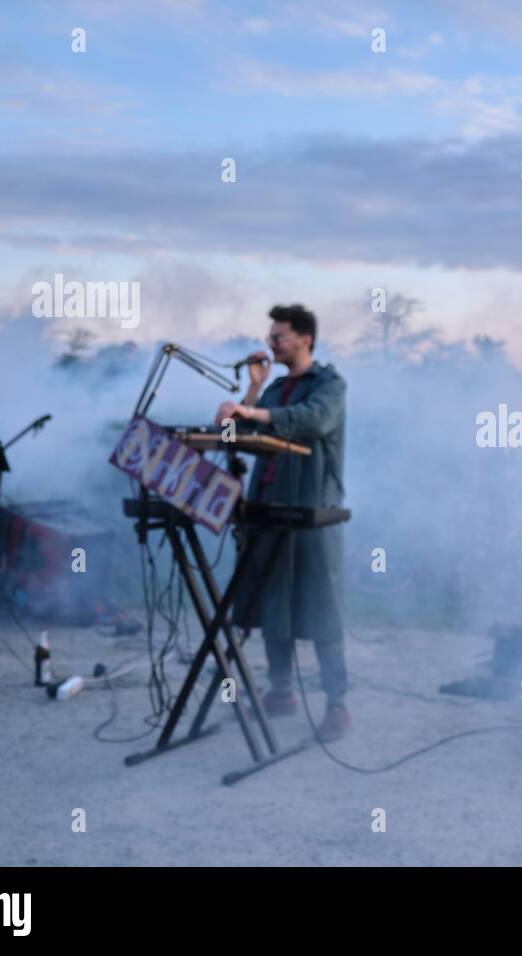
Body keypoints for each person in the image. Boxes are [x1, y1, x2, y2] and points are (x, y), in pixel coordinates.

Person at [215, 304, 349, 740]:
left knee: (321, 605)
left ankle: (336, 704)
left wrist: (251, 413)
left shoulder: (329, 385)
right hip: (266, 506)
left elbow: (311, 421)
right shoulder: (271, 390)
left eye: (279, 337)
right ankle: (281, 693)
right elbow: (244, 436)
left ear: (304, 338)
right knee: (273, 602)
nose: (271, 344)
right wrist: (251, 394)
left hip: (311, 508)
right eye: (271, 336)